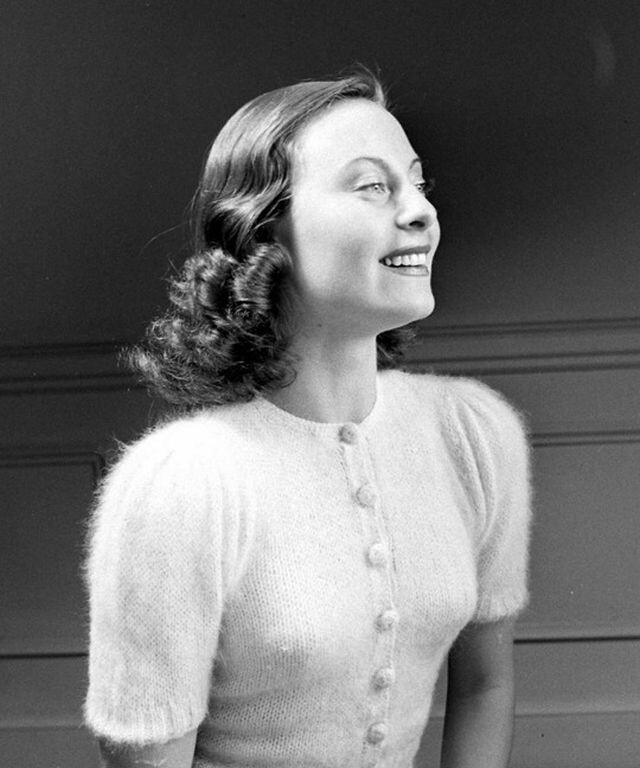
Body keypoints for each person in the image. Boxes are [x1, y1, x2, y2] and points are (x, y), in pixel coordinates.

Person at [83, 68, 532, 768]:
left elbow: (485, 686)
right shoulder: (182, 483)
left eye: (419, 183)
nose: (421, 211)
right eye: (372, 186)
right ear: (268, 233)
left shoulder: (472, 433)